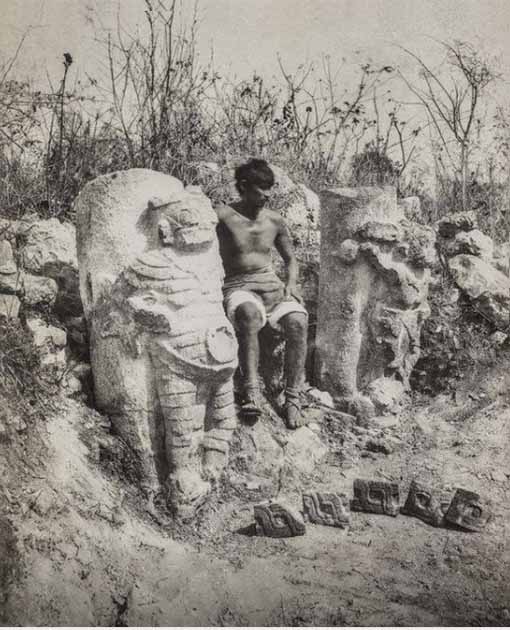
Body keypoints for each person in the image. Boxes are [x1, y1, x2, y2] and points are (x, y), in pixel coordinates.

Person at [215, 158, 308, 429]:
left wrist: (291, 285)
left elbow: (291, 260)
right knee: (249, 315)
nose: (267, 195)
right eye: (260, 189)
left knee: (298, 323)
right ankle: (251, 391)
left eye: (270, 189)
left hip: (271, 287)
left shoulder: (274, 220)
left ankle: (292, 398)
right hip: (238, 285)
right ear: (244, 187)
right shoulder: (222, 216)